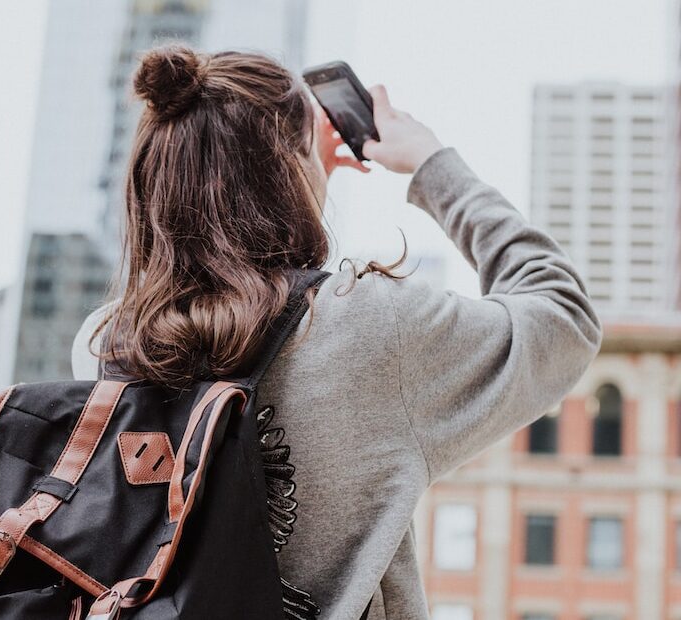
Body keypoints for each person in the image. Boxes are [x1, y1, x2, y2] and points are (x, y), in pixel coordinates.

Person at [71, 45, 601, 620]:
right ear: (290, 168)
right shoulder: (373, 327)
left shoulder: (107, 345)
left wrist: (302, 161)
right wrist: (430, 163)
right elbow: (562, 315)